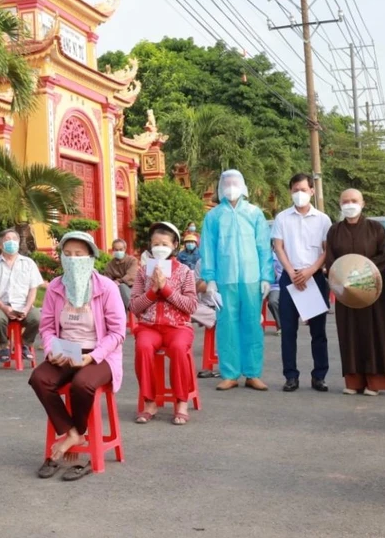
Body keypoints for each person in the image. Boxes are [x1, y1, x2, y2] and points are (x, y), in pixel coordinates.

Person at [29, 231, 125, 481]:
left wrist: (92, 356)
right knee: (39, 378)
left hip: (100, 354)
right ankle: (71, 432)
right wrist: (52, 351)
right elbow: (47, 326)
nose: (72, 260)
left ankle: (77, 432)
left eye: (79, 255)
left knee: (83, 383)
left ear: (91, 258)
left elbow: (117, 332)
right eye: (67, 255)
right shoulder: (55, 287)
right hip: (65, 351)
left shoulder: (106, 288)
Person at [326, 188, 385, 396]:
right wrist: (343, 278)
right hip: (345, 291)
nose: (349, 204)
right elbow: (331, 258)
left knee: (375, 332)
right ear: (340, 204)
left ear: (363, 203)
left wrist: (364, 275)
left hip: (372, 289)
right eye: (345, 201)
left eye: (354, 200)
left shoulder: (375, 228)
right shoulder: (334, 231)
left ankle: (374, 382)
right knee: (348, 333)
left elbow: (384, 256)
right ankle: (353, 381)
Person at [200, 169, 273, 391]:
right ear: (221, 187)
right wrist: (210, 279)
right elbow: (208, 249)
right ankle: (230, 373)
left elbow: (263, 247)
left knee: (252, 323)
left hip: (252, 279)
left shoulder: (254, 213)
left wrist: (266, 276)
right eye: (227, 183)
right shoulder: (213, 217)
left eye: (235, 182)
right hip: (224, 279)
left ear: (242, 186)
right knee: (227, 325)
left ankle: (253, 373)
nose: (231, 187)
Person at [131, 222, 198, 424]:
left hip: (178, 327)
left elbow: (191, 305)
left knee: (178, 348)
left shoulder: (185, 271)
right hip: (149, 326)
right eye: (155, 243)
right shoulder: (143, 272)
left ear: (175, 245)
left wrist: (166, 289)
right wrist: (152, 291)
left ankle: (181, 401)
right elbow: (134, 306)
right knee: (142, 347)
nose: (159, 247)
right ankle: (150, 401)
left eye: (164, 243)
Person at [272, 172, 332, 393]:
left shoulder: (323, 219)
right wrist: (292, 272)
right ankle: (291, 376)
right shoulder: (282, 218)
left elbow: (327, 250)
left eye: (303, 190)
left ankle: (319, 376)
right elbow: (278, 246)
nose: (299, 194)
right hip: (290, 276)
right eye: (295, 190)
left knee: (318, 331)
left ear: (312, 191)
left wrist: (311, 271)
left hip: (314, 276)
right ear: (291, 192)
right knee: (288, 330)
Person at [0, 228, 43, 363]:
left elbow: (33, 289)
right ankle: (5, 345)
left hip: (24, 305)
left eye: (14, 239)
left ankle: (25, 344)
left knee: (37, 318)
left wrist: (27, 309)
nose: (11, 243)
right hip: (1, 305)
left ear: (19, 242)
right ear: (0, 245)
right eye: (7, 240)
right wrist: (4, 308)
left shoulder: (28, 263)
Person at [103, 238, 138, 309]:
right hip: (116, 290)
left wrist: (118, 281)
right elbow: (106, 280)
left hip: (132, 289)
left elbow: (131, 276)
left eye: (120, 249)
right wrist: (113, 284)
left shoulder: (132, 260)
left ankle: (133, 308)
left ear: (125, 249)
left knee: (122, 287)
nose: (118, 251)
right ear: (113, 250)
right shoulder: (110, 264)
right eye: (116, 250)